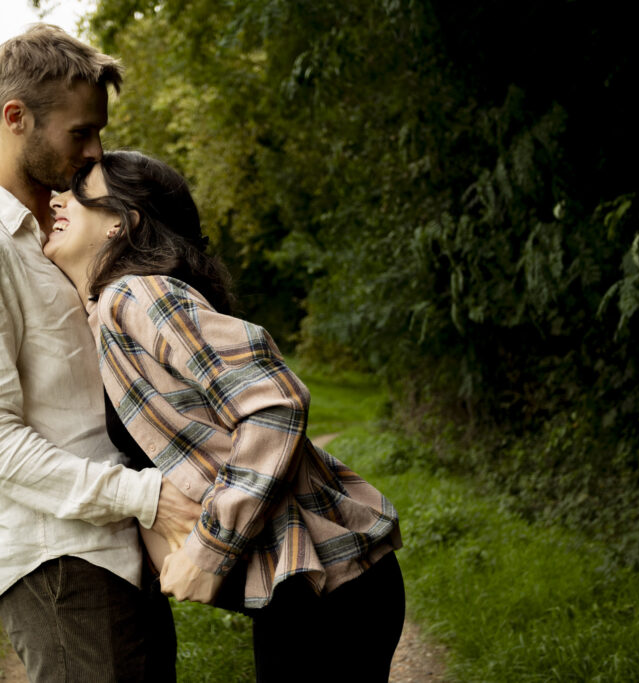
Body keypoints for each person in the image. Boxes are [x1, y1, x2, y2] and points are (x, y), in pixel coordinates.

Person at [44, 150, 406, 682]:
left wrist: (210, 549)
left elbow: (275, 403)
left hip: (330, 589)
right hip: (304, 592)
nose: (56, 198)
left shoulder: (138, 294)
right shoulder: (106, 313)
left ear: (122, 221)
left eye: (78, 191)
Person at [0, 27, 197, 683]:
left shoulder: (71, 235)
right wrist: (145, 494)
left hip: (117, 544)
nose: (96, 150)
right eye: (81, 133)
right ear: (16, 119)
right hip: (62, 561)